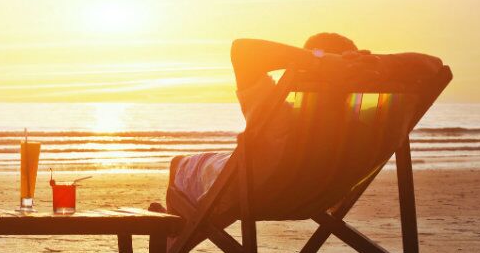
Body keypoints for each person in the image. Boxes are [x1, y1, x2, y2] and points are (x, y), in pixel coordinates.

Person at [152, 33, 443, 214]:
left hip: (258, 189)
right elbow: (435, 66)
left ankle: (172, 233)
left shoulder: (277, 114)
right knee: (219, 173)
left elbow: (243, 49)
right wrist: (378, 63)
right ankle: (175, 224)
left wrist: (320, 61)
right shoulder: (360, 126)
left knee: (181, 165)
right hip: (322, 192)